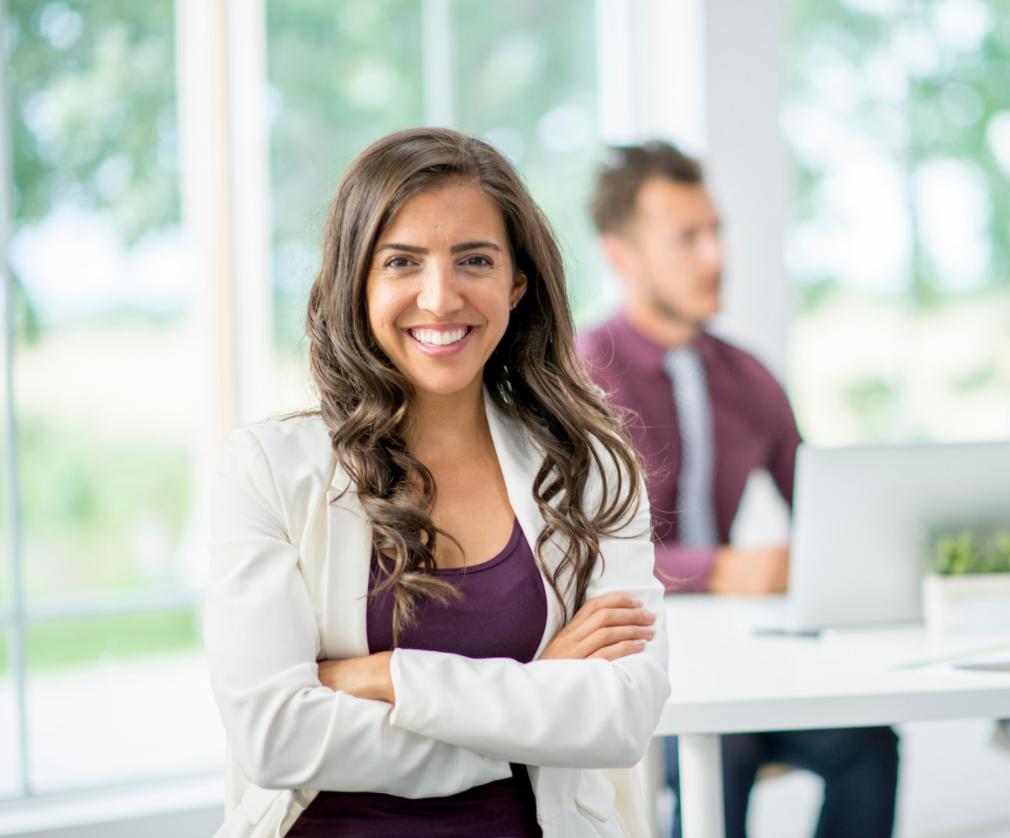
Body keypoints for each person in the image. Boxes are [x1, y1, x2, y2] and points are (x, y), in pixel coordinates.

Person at [205, 127, 669, 838]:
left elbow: (620, 717)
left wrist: (389, 676)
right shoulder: (267, 470)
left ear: (517, 280)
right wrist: (534, 700)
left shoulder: (594, 470)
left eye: (474, 259)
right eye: (402, 262)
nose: (440, 295)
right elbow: (276, 737)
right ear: (357, 283)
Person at [578, 141, 898, 838]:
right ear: (621, 256)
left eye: (715, 232)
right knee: (719, 754)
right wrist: (723, 568)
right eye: (686, 239)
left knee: (869, 744)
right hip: (635, 661)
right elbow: (582, 548)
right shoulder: (580, 377)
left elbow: (821, 511)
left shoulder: (747, 375)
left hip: (740, 655)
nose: (714, 257)